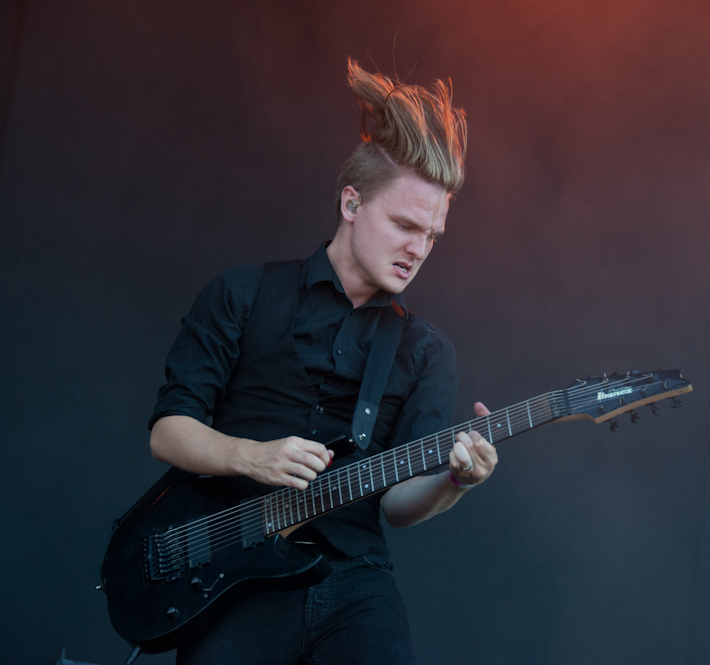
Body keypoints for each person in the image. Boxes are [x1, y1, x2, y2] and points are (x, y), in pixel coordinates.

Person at [147, 59, 498, 665]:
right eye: (406, 225)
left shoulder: (425, 351)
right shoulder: (243, 294)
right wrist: (250, 456)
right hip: (235, 565)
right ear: (351, 203)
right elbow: (168, 432)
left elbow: (397, 505)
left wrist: (454, 482)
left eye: (433, 235)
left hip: (352, 577)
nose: (419, 249)